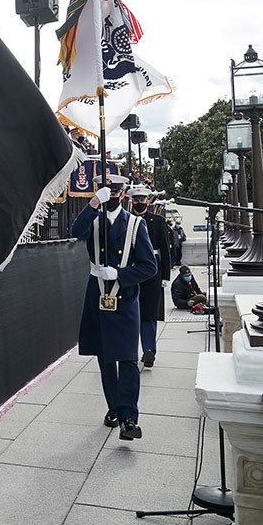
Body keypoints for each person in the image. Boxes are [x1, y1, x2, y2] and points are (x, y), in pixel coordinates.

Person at [72, 175, 157, 440]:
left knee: (128, 358)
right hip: (97, 296)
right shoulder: (93, 220)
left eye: (114, 193)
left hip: (125, 298)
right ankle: (114, 409)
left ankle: (129, 417)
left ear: (122, 195)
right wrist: (93, 203)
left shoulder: (135, 224)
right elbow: (75, 231)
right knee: (106, 358)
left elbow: (149, 267)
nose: (111, 197)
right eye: (106, 193)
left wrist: (120, 274)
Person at [128, 187, 170, 369]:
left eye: (142, 199)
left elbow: (166, 249)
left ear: (148, 201)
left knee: (149, 313)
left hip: (152, 271)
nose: (139, 202)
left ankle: (149, 350)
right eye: (136, 200)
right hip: (130, 270)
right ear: (131, 201)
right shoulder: (126, 219)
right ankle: (129, 351)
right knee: (130, 312)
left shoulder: (158, 221)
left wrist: (166, 275)